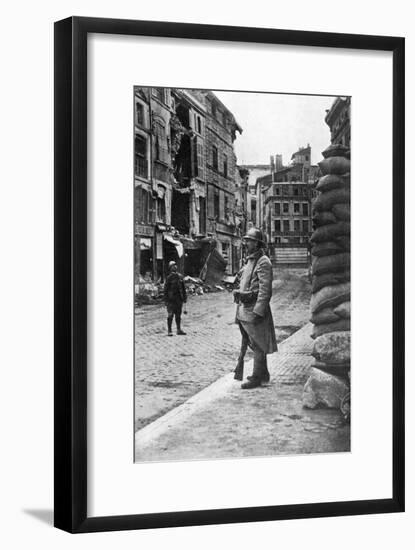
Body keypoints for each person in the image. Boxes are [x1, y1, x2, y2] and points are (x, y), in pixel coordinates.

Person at [233, 228, 277, 389]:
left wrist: (259, 311)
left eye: (249, 240)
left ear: (257, 243)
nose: (246, 243)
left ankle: (257, 377)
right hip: (245, 309)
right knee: (254, 342)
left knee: (258, 344)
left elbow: (265, 290)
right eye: (246, 240)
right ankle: (263, 373)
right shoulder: (250, 261)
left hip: (255, 311)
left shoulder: (263, 261)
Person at [164, 260, 187, 336]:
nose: (175, 266)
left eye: (175, 265)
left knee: (178, 315)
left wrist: (184, 298)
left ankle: (178, 329)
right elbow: (165, 290)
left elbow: (183, 288)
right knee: (170, 315)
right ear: (170, 268)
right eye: (173, 265)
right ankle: (169, 331)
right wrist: (166, 300)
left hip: (178, 299)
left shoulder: (180, 276)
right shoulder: (169, 278)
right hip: (171, 300)